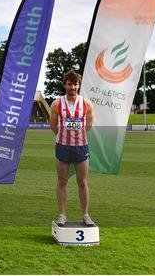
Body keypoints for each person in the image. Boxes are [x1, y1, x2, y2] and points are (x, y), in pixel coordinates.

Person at [49, 70, 95, 227]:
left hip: (81, 147)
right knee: (62, 181)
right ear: (65, 85)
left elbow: (88, 124)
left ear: (79, 85)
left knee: (82, 182)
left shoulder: (86, 104)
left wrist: (78, 135)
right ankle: (62, 215)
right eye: (70, 84)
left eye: (75, 84)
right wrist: (63, 135)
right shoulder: (56, 104)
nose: (73, 87)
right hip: (62, 146)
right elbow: (52, 125)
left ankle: (86, 215)